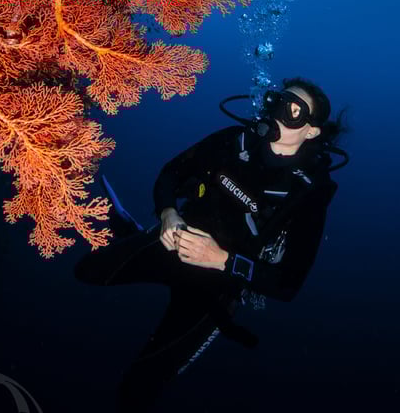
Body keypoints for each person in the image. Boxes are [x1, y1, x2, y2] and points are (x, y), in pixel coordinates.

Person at [73, 76, 350, 412]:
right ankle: (134, 232)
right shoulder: (235, 141)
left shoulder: (309, 193)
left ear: (311, 131)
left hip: (217, 289)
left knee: (137, 391)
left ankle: (133, 233)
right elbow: (171, 174)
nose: (278, 113)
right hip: (174, 241)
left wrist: (221, 259)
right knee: (87, 271)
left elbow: (288, 285)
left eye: (292, 111)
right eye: (276, 101)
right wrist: (169, 214)